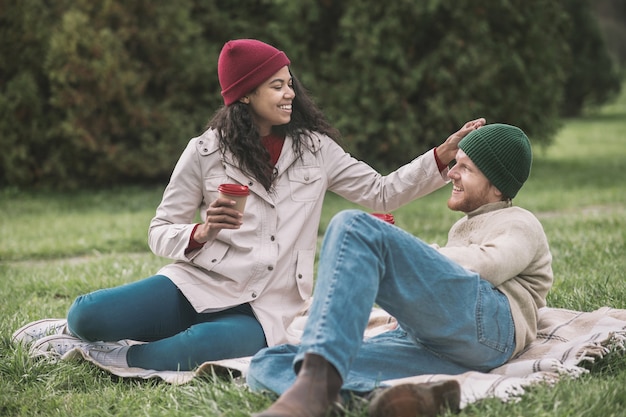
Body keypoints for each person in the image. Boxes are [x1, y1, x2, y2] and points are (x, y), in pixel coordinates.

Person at [12, 39, 485, 372]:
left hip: (267, 307)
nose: (290, 93)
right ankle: (73, 333)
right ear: (246, 94)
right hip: (197, 285)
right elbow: (160, 229)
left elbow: (381, 193)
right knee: (87, 317)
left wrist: (440, 156)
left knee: (195, 349)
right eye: (276, 85)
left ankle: (106, 355)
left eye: (289, 83)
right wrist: (200, 233)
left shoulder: (316, 149)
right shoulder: (205, 151)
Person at [249, 123, 553, 417]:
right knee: (271, 362)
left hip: (493, 331)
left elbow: (488, 266)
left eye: (466, 168)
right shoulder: (464, 225)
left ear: (498, 187)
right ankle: (378, 399)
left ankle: (316, 389)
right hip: (443, 347)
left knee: (353, 226)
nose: (452, 174)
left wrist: (407, 255)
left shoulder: (520, 221)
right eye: (455, 163)